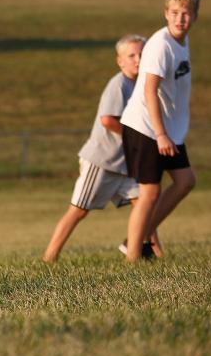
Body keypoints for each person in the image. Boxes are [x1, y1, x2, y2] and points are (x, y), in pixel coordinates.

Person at [43, 35, 162, 262]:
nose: (138, 60)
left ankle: (155, 254)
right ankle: (49, 258)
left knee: (145, 205)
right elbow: (107, 120)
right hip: (102, 162)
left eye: (142, 54)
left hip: (125, 164)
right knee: (78, 210)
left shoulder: (142, 85)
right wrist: (137, 138)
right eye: (132, 56)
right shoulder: (119, 84)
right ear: (120, 62)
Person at [121, 0, 200, 263]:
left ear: (195, 16)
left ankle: (140, 235)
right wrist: (161, 134)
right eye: (175, 12)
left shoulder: (182, 41)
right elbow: (148, 90)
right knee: (150, 192)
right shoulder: (160, 45)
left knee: (185, 181)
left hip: (168, 129)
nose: (181, 18)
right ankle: (133, 256)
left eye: (186, 13)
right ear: (166, 13)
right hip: (146, 127)